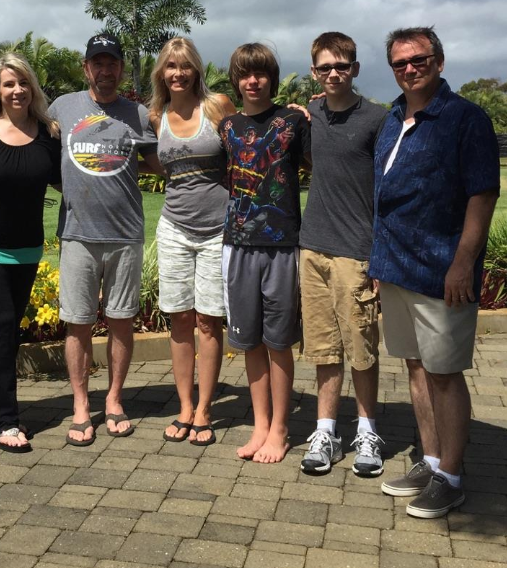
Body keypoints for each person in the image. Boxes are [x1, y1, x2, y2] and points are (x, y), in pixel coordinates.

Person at [370, 26, 499, 518]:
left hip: (442, 268)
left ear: (438, 62)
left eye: (418, 60)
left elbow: (482, 194)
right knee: (416, 366)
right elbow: (384, 197)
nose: (409, 69)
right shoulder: (392, 119)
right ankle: (429, 459)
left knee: (444, 373)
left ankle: (451, 473)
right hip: (396, 266)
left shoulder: (465, 119)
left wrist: (463, 262)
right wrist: (379, 261)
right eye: (399, 63)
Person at [48, 33, 160, 446]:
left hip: (125, 234)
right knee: (77, 324)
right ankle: (80, 404)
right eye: (97, 62)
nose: (105, 70)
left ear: (121, 69)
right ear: (86, 67)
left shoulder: (138, 114)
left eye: (112, 63)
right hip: (77, 234)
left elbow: (159, 163)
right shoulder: (62, 107)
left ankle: (114, 399)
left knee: (121, 321)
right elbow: (22, 121)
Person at [297, 32, 388, 478]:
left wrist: (378, 255)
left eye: (342, 66)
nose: (334, 74)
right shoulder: (311, 112)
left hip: (356, 251)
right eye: (325, 67)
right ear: (314, 71)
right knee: (323, 348)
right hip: (312, 246)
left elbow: (388, 190)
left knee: (362, 348)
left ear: (355, 68)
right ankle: (326, 431)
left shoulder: (376, 119)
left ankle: (368, 430)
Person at [0, 53, 61, 453]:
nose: (17, 90)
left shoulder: (48, 133)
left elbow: (69, 179)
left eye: (23, 83)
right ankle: (5, 420)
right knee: (2, 326)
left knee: (2, 331)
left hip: (27, 249)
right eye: (8, 84)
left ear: (32, 88)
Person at [219, 43, 309, 464]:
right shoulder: (228, 126)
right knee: (249, 341)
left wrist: (313, 108)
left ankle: (280, 429)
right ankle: (259, 425)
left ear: (271, 77)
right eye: (245, 74)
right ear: (236, 80)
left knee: (278, 342)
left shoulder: (293, 121)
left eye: (260, 73)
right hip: (237, 246)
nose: (252, 81)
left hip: (281, 246)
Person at [148, 37, 236, 447]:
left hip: (218, 229)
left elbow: (248, 144)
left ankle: (205, 409)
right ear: (161, 73)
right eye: (170, 66)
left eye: (185, 66)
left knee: (208, 319)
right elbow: (153, 162)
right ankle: (184, 406)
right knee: (179, 318)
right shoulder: (156, 115)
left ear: (196, 69)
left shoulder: (217, 106)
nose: (178, 73)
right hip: (174, 229)